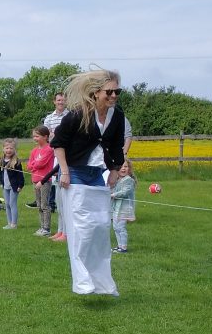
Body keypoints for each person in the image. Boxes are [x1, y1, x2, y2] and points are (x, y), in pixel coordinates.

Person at [50, 69, 126, 296]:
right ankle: (83, 282)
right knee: (82, 229)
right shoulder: (77, 115)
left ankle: (102, 283)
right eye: (109, 92)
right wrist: (64, 171)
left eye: (117, 92)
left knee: (101, 226)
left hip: (98, 173)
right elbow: (59, 144)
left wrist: (114, 170)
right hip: (75, 173)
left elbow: (116, 145)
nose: (113, 96)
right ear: (95, 93)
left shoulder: (117, 115)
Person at [28, 125, 54, 236]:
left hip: (45, 181)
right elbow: (29, 166)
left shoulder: (49, 149)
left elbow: (41, 163)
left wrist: (34, 164)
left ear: (45, 136)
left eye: (37, 136)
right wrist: (34, 165)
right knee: (39, 205)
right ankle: (41, 226)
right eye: (34, 136)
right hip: (35, 180)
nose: (35, 138)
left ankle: (47, 228)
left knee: (44, 205)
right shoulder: (34, 151)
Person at [109, 160, 136, 253]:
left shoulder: (129, 180)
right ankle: (119, 246)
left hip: (124, 209)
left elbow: (125, 192)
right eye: (121, 167)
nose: (123, 169)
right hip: (116, 208)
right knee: (116, 227)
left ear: (129, 169)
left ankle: (124, 247)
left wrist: (113, 195)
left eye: (125, 167)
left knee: (121, 227)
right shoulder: (117, 180)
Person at [0, 137, 25, 230]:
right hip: (5, 186)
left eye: (11, 148)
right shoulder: (1, 160)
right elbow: (1, 172)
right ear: (3, 149)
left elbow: (20, 175)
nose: (8, 150)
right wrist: (1, 182)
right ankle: (9, 223)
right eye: (7, 148)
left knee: (12, 204)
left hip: (14, 187)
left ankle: (14, 224)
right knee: (7, 204)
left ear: (14, 149)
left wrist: (20, 185)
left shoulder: (16, 161)